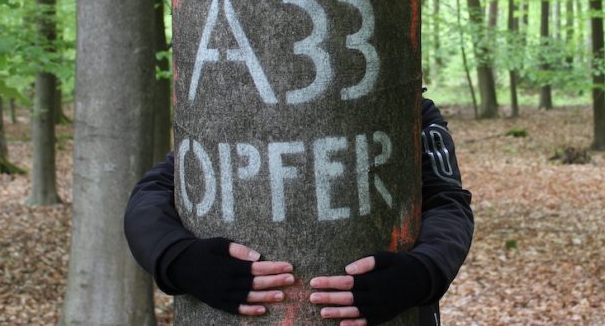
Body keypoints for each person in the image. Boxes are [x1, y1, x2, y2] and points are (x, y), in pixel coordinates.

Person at [124, 98, 473, 326]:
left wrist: (421, 273)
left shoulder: (411, 111)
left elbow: (447, 200)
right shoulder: (230, 112)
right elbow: (150, 194)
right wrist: (180, 260)